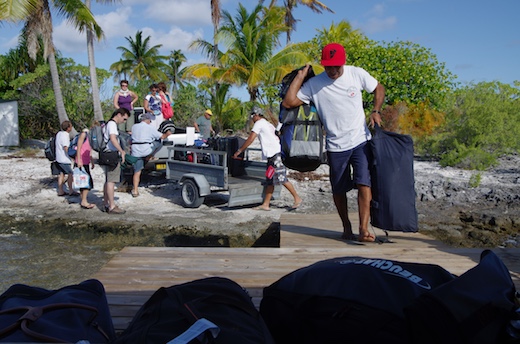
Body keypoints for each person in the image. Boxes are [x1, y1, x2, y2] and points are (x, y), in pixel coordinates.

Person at [282, 43, 385, 242]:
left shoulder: (356, 74)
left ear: (343, 62)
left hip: (360, 141)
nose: (333, 70)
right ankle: (346, 227)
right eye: (328, 66)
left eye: (336, 66)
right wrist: (301, 76)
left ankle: (363, 228)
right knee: (339, 189)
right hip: (335, 146)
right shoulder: (315, 84)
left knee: (364, 183)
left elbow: (378, 88)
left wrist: (376, 110)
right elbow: (289, 102)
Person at [232, 106, 302, 211]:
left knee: (281, 178)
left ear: (256, 115)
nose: (252, 119)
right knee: (270, 179)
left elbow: (251, 138)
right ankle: (266, 204)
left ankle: (297, 198)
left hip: (275, 155)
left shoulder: (259, 124)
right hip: (274, 155)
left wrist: (239, 151)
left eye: (252, 116)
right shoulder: (268, 124)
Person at [130, 113, 172, 197]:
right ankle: (150, 156)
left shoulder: (134, 127)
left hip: (135, 151)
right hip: (146, 150)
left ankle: (135, 190)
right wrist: (168, 133)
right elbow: (162, 137)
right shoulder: (150, 128)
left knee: (137, 171)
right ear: (148, 120)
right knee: (159, 142)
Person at [102, 108, 130, 214]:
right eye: (124, 118)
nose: (124, 121)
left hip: (106, 154)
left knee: (108, 179)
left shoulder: (107, 124)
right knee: (111, 181)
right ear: (119, 114)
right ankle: (112, 206)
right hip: (111, 155)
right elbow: (113, 139)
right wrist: (121, 151)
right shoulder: (112, 124)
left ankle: (106, 203)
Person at [55, 120, 77, 197]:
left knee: (61, 174)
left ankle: (60, 190)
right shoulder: (65, 135)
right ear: (68, 128)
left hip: (58, 157)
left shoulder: (59, 133)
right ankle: (71, 190)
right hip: (64, 159)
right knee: (70, 173)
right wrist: (73, 156)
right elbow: (66, 147)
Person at [75, 128, 95, 209]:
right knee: (86, 182)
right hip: (81, 161)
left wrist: (92, 161)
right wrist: (79, 160)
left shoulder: (91, 137)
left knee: (83, 181)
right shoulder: (84, 134)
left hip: (86, 161)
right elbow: (79, 147)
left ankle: (83, 199)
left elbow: (89, 150)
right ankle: (84, 201)